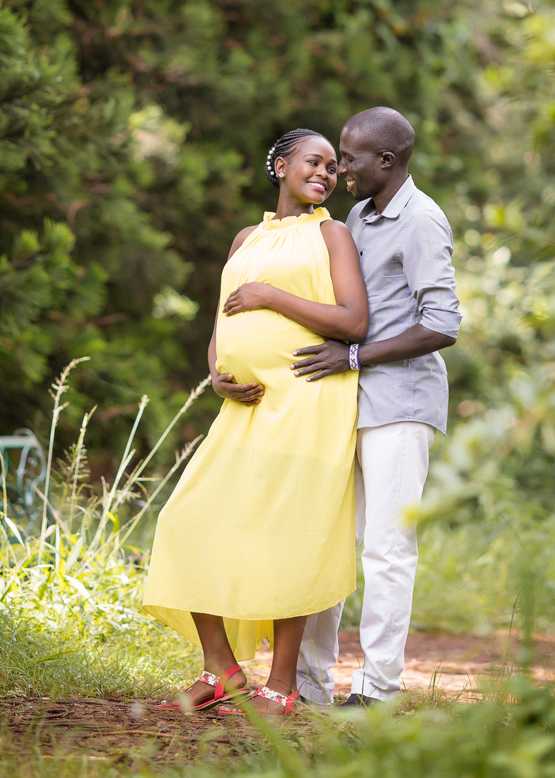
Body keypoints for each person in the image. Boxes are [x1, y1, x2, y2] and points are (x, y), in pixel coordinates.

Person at [143, 128, 368, 717]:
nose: (325, 173)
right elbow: (222, 323)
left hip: (308, 400)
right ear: (280, 165)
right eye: (312, 162)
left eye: (331, 167)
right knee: (185, 519)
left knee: (290, 530)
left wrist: (271, 295)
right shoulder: (246, 237)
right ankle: (222, 669)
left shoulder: (331, 233)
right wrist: (217, 373)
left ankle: (282, 685)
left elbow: (353, 320)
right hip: (242, 407)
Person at [292, 107, 461, 708]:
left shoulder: (422, 220)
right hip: (344, 405)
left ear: (386, 161)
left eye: (352, 156)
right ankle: (308, 683)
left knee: (386, 549)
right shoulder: (357, 217)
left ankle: (379, 689)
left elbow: (443, 324)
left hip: (401, 404)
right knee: (327, 542)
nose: (342, 166)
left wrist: (356, 357)